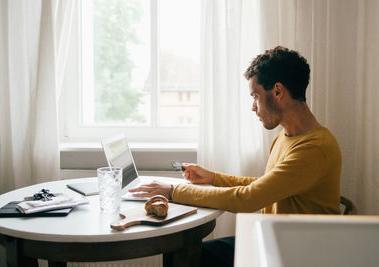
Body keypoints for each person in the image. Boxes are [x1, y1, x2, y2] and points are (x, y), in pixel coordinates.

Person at [129, 46, 342, 267]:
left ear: (278, 92)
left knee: (186, 257)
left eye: (255, 96)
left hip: (295, 255)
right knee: (180, 253)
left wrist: (174, 191)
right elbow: (266, 185)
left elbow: (249, 198)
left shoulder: (314, 148)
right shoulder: (286, 138)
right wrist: (213, 178)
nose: (253, 107)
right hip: (275, 242)